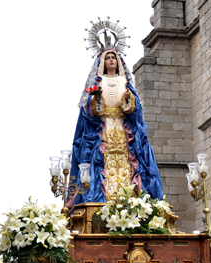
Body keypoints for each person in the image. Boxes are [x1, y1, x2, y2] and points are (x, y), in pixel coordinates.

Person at [69, 45, 162, 205]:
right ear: (102, 62)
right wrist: (96, 100)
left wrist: (128, 99)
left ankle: (130, 202)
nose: (111, 60)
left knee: (129, 163)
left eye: (113, 58)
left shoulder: (124, 82)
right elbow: (87, 111)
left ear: (118, 61)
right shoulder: (98, 82)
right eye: (108, 58)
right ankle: (102, 201)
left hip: (123, 131)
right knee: (99, 164)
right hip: (103, 131)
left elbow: (136, 111)